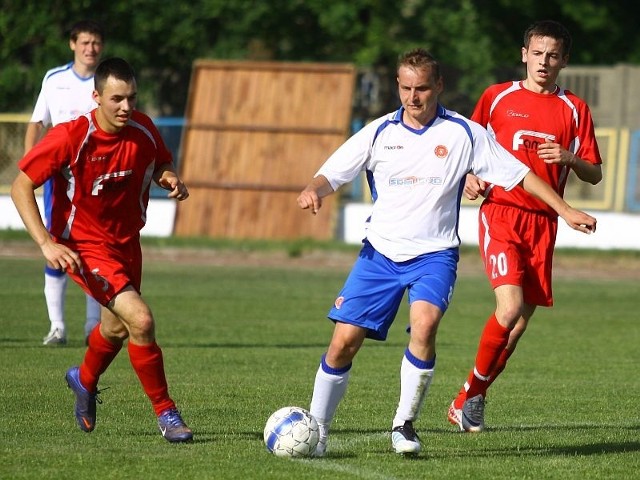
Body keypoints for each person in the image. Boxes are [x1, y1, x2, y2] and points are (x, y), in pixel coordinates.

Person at [297, 47, 597, 457]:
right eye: (405, 88)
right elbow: (333, 171)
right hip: (380, 254)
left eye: (421, 88)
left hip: (435, 254)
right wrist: (314, 190)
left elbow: (520, 174)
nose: (413, 97)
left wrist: (563, 209)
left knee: (425, 325)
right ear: (397, 86)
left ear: (438, 85)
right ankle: (316, 429)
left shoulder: (463, 133)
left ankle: (404, 425)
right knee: (343, 343)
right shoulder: (380, 131)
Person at [11, 57, 193, 443]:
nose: (126, 107)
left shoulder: (142, 127)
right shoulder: (70, 137)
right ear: (96, 97)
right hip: (85, 248)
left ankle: (84, 378)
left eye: (131, 98)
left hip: (127, 243)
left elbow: (160, 160)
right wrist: (46, 243)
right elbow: (20, 185)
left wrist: (169, 176)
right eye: (117, 99)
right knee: (140, 320)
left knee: (115, 326)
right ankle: (167, 413)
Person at [447, 20, 603, 433]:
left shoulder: (575, 109)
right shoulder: (497, 97)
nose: (544, 62)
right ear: (524, 54)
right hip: (501, 214)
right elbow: (467, 148)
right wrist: (468, 176)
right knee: (509, 307)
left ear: (564, 61)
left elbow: (594, 174)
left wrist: (569, 159)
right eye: (537, 53)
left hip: (543, 225)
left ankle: (470, 396)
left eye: (553, 55)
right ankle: (473, 398)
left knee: (516, 328)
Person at [25, 20, 105, 346]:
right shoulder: (54, 79)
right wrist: (31, 166)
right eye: (85, 42)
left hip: (96, 178)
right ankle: (57, 326)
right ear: (73, 44)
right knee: (55, 247)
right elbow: (37, 122)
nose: (90, 48)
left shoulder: (108, 81)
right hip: (59, 179)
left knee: (97, 251)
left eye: (96, 43)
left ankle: (92, 327)